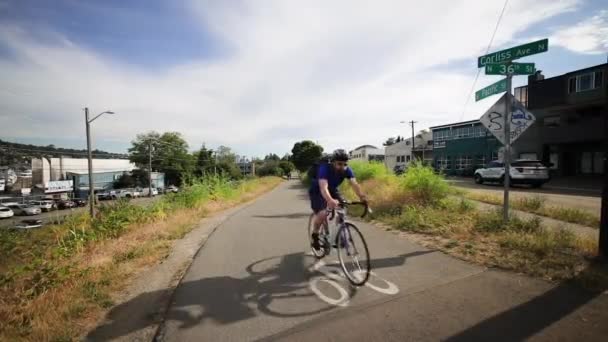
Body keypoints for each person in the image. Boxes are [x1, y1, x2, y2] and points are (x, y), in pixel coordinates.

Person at [308, 149, 367, 250]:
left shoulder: (347, 170)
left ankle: (337, 236)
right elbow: (323, 187)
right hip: (317, 191)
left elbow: (354, 184)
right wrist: (330, 200)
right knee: (322, 213)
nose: (342, 167)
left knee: (342, 209)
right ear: (333, 162)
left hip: (333, 189)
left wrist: (362, 197)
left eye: (345, 164)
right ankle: (315, 235)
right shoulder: (324, 168)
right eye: (339, 164)